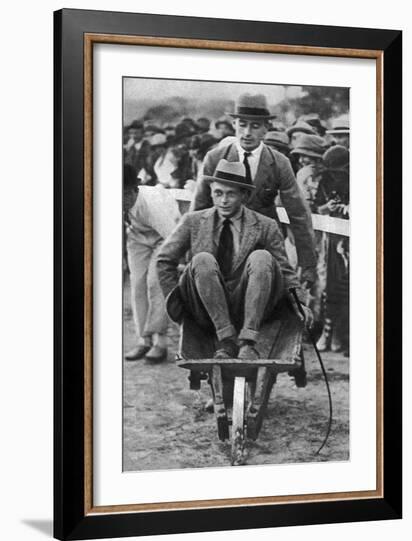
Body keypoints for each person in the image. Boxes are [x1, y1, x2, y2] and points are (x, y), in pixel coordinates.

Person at [157, 160, 312, 360]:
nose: (223, 201)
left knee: (261, 257)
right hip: (206, 306)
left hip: (250, 304)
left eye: (231, 194)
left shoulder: (266, 225)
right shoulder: (193, 221)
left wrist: (299, 303)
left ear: (245, 196)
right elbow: (163, 260)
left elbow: (284, 269)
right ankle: (226, 340)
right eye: (218, 193)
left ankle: (248, 342)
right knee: (202, 259)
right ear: (211, 192)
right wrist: (176, 302)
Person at [192, 93, 317, 288]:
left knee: (264, 307)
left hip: (265, 247)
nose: (247, 132)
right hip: (223, 246)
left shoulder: (279, 163)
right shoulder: (214, 158)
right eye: (242, 124)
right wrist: (193, 255)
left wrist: (307, 263)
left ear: (266, 128)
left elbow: (298, 213)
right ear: (234, 124)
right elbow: (198, 209)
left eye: (255, 126)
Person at [124, 168, 181, 363]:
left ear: (134, 189)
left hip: (164, 237)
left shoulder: (153, 203)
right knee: (137, 283)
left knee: (154, 283)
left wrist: (178, 265)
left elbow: (174, 238)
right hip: (137, 236)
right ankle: (144, 339)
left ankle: (160, 343)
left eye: (124, 194)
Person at [314, 145, 350, 356]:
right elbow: (317, 208)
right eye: (332, 171)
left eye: (339, 171)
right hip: (332, 236)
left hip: (353, 238)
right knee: (330, 284)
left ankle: (340, 332)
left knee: (348, 286)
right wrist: (326, 208)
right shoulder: (325, 181)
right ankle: (327, 331)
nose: (335, 175)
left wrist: (347, 209)